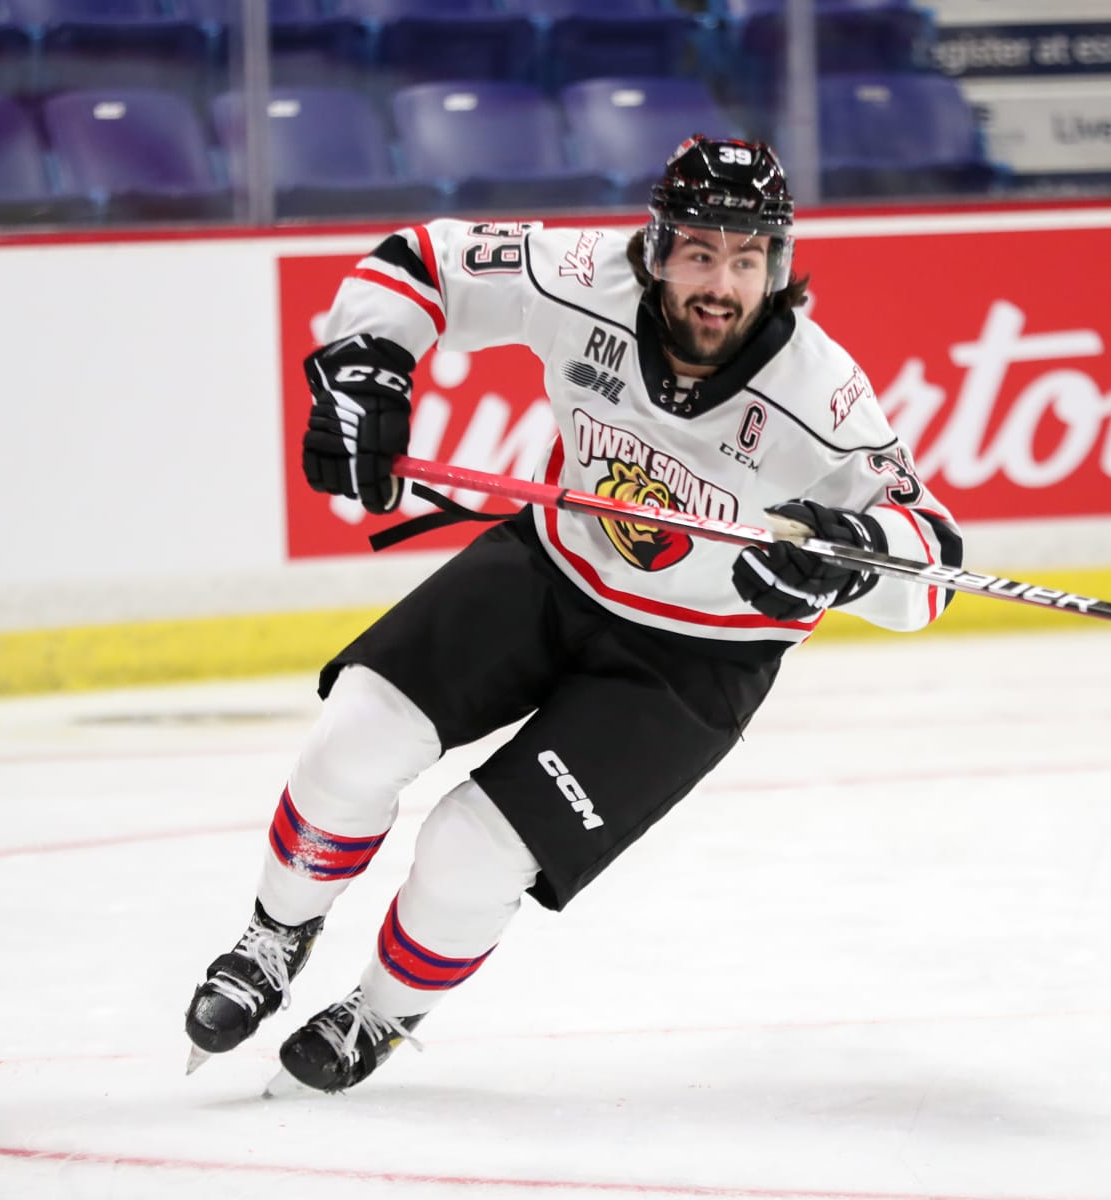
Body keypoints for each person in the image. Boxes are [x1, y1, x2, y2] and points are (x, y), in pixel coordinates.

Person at [181, 135, 964, 1094]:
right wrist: (368, 362)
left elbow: (929, 562)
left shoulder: (820, 394)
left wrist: (841, 563)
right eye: (701, 252)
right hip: (553, 568)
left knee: (470, 852)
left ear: (780, 264)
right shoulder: (580, 275)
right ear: (657, 245)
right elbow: (419, 263)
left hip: (696, 661)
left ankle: (378, 1015)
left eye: (748, 257)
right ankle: (272, 937)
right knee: (355, 737)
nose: (723, 282)